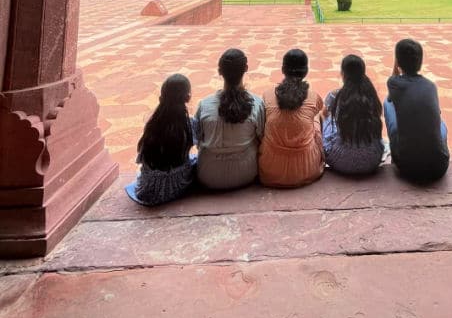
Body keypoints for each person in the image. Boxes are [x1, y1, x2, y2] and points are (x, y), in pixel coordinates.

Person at [194, 48, 265, 190]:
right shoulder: (256, 103)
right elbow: (262, 137)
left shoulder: (204, 105)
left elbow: (197, 139)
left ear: (220, 72)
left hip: (208, 175)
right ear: (246, 69)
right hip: (246, 172)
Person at [383, 38, 449, 183]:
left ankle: (395, 153)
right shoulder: (431, 86)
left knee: (387, 104)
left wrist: (397, 64)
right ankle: (435, 147)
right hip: (440, 167)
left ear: (398, 62)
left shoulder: (393, 83)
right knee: (440, 122)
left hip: (407, 168)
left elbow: (391, 97)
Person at [126, 73, 196, 205]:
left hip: (147, 190)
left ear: (161, 97)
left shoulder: (152, 124)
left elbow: (142, 157)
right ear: (187, 98)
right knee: (196, 160)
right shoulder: (189, 124)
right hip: (177, 186)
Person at [259, 48, 324, 187]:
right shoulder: (313, 96)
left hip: (271, 169)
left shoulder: (267, 95)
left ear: (283, 69)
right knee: (316, 116)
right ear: (306, 71)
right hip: (307, 168)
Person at [321, 54, 384, 176]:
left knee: (324, 118)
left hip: (341, 161)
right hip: (372, 160)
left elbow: (324, 114)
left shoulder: (335, 95)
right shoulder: (371, 95)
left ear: (343, 73)